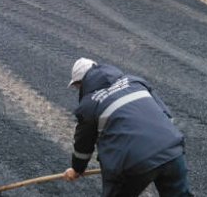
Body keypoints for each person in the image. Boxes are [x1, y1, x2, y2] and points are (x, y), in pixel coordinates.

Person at [63, 58, 193, 197]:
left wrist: (77, 169)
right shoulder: (135, 81)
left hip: (133, 162)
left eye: (77, 86)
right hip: (171, 149)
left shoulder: (89, 105)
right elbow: (166, 116)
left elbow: (84, 145)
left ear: (81, 83)